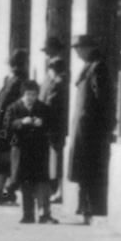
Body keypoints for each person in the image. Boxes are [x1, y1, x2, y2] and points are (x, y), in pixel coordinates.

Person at [67, 34, 114, 223]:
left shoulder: (98, 67)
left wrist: (103, 127)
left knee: (89, 169)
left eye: (78, 48)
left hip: (91, 130)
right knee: (84, 169)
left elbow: (103, 99)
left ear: (87, 48)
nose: (76, 52)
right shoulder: (90, 66)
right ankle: (84, 207)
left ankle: (91, 209)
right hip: (84, 127)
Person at [5, 79, 56, 223]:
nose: (31, 97)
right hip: (21, 151)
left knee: (41, 182)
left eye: (34, 94)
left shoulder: (43, 108)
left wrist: (43, 123)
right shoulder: (14, 107)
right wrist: (21, 122)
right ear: (23, 94)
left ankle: (44, 214)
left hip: (39, 150)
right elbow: (6, 127)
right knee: (25, 182)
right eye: (28, 94)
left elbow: (53, 125)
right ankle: (28, 214)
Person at [0, 50, 32, 202]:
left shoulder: (17, 81)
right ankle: (3, 191)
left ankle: (4, 191)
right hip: (7, 124)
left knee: (6, 158)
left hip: (9, 125)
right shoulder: (13, 79)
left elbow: (4, 102)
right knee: (5, 158)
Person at [40, 38, 70, 196]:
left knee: (56, 154)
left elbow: (52, 97)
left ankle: (57, 189)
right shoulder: (53, 72)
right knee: (53, 154)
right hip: (50, 119)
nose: (47, 56)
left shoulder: (57, 71)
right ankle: (54, 188)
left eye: (48, 52)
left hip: (54, 119)